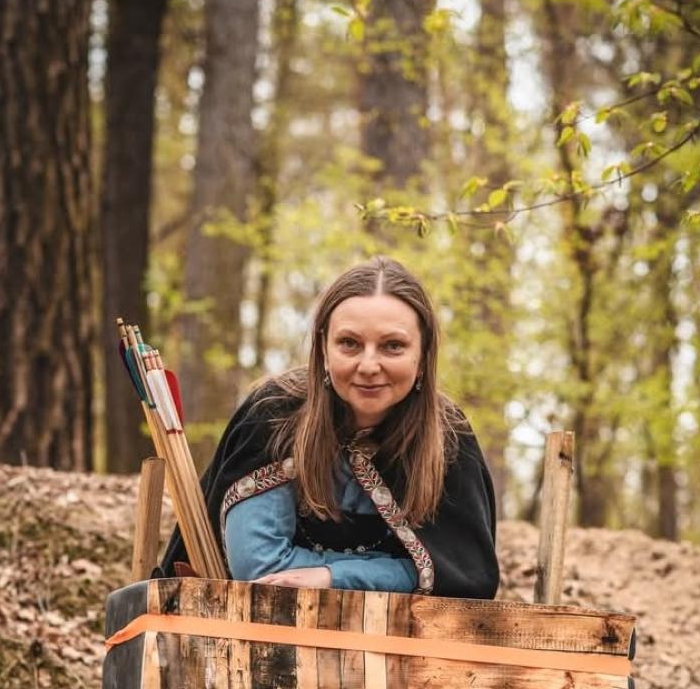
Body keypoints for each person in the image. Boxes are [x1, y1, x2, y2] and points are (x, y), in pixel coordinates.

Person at [161, 256, 499, 598]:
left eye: (392, 346)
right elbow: (261, 569)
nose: (369, 365)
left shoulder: (448, 437)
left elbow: (462, 578)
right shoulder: (275, 416)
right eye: (349, 343)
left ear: (423, 355)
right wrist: (396, 570)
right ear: (324, 348)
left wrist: (329, 576)